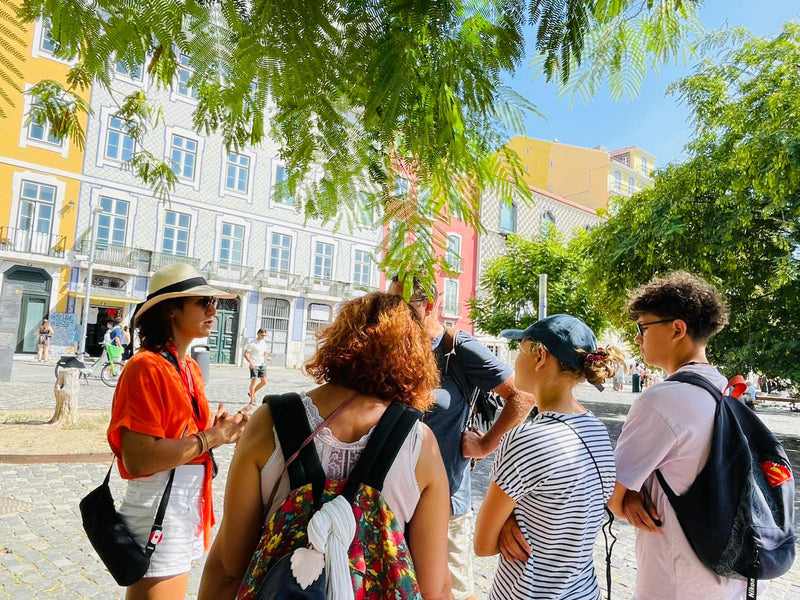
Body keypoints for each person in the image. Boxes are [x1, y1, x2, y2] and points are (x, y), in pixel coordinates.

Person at [198, 292, 452, 599]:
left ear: (340, 339)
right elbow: (435, 587)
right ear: (416, 358)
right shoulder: (419, 444)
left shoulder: (269, 422)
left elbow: (228, 566)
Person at [106, 263, 250, 600]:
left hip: (185, 503)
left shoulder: (188, 367)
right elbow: (139, 458)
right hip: (158, 504)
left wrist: (218, 432)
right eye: (203, 302)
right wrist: (211, 437)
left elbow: (180, 440)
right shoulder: (146, 366)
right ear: (171, 310)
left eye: (214, 302)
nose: (213, 310)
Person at [388, 275, 534, 600]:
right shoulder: (396, 348)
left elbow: (522, 396)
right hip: (393, 498)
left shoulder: (457, 348)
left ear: (427, 305)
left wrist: (485, 444)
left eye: (400, 304)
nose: (392, 312)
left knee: (450, 591)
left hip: (446, 502)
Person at [606, 271, 747, 598]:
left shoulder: (661, 400)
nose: (638, 338)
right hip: (730, 576)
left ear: (677, 329)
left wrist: (627, 496)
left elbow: (611, 495)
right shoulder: (726, 389)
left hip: (676, 581)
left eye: (643, 327)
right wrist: (631, 493)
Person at [474, 314, 622, 599]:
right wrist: (511, 520)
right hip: (583, 591)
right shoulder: (597, 430)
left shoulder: (526, 439)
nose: (516, 358)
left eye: (520, 347)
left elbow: (483, 544)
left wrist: (507, 522)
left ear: (540, 356)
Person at [243, 328, 270, 404]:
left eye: (264, 335)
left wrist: (267, 357)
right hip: (254, 365)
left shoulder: (264, 343)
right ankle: (252, 399)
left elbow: (265, 353)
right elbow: (246, 354)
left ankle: (251, 393)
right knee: (254, 382)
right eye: (262, 335)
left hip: (262, 364)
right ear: (258, 334)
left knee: (264, 382)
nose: (263, 337)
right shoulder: (252, 343)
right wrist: (250, 363)